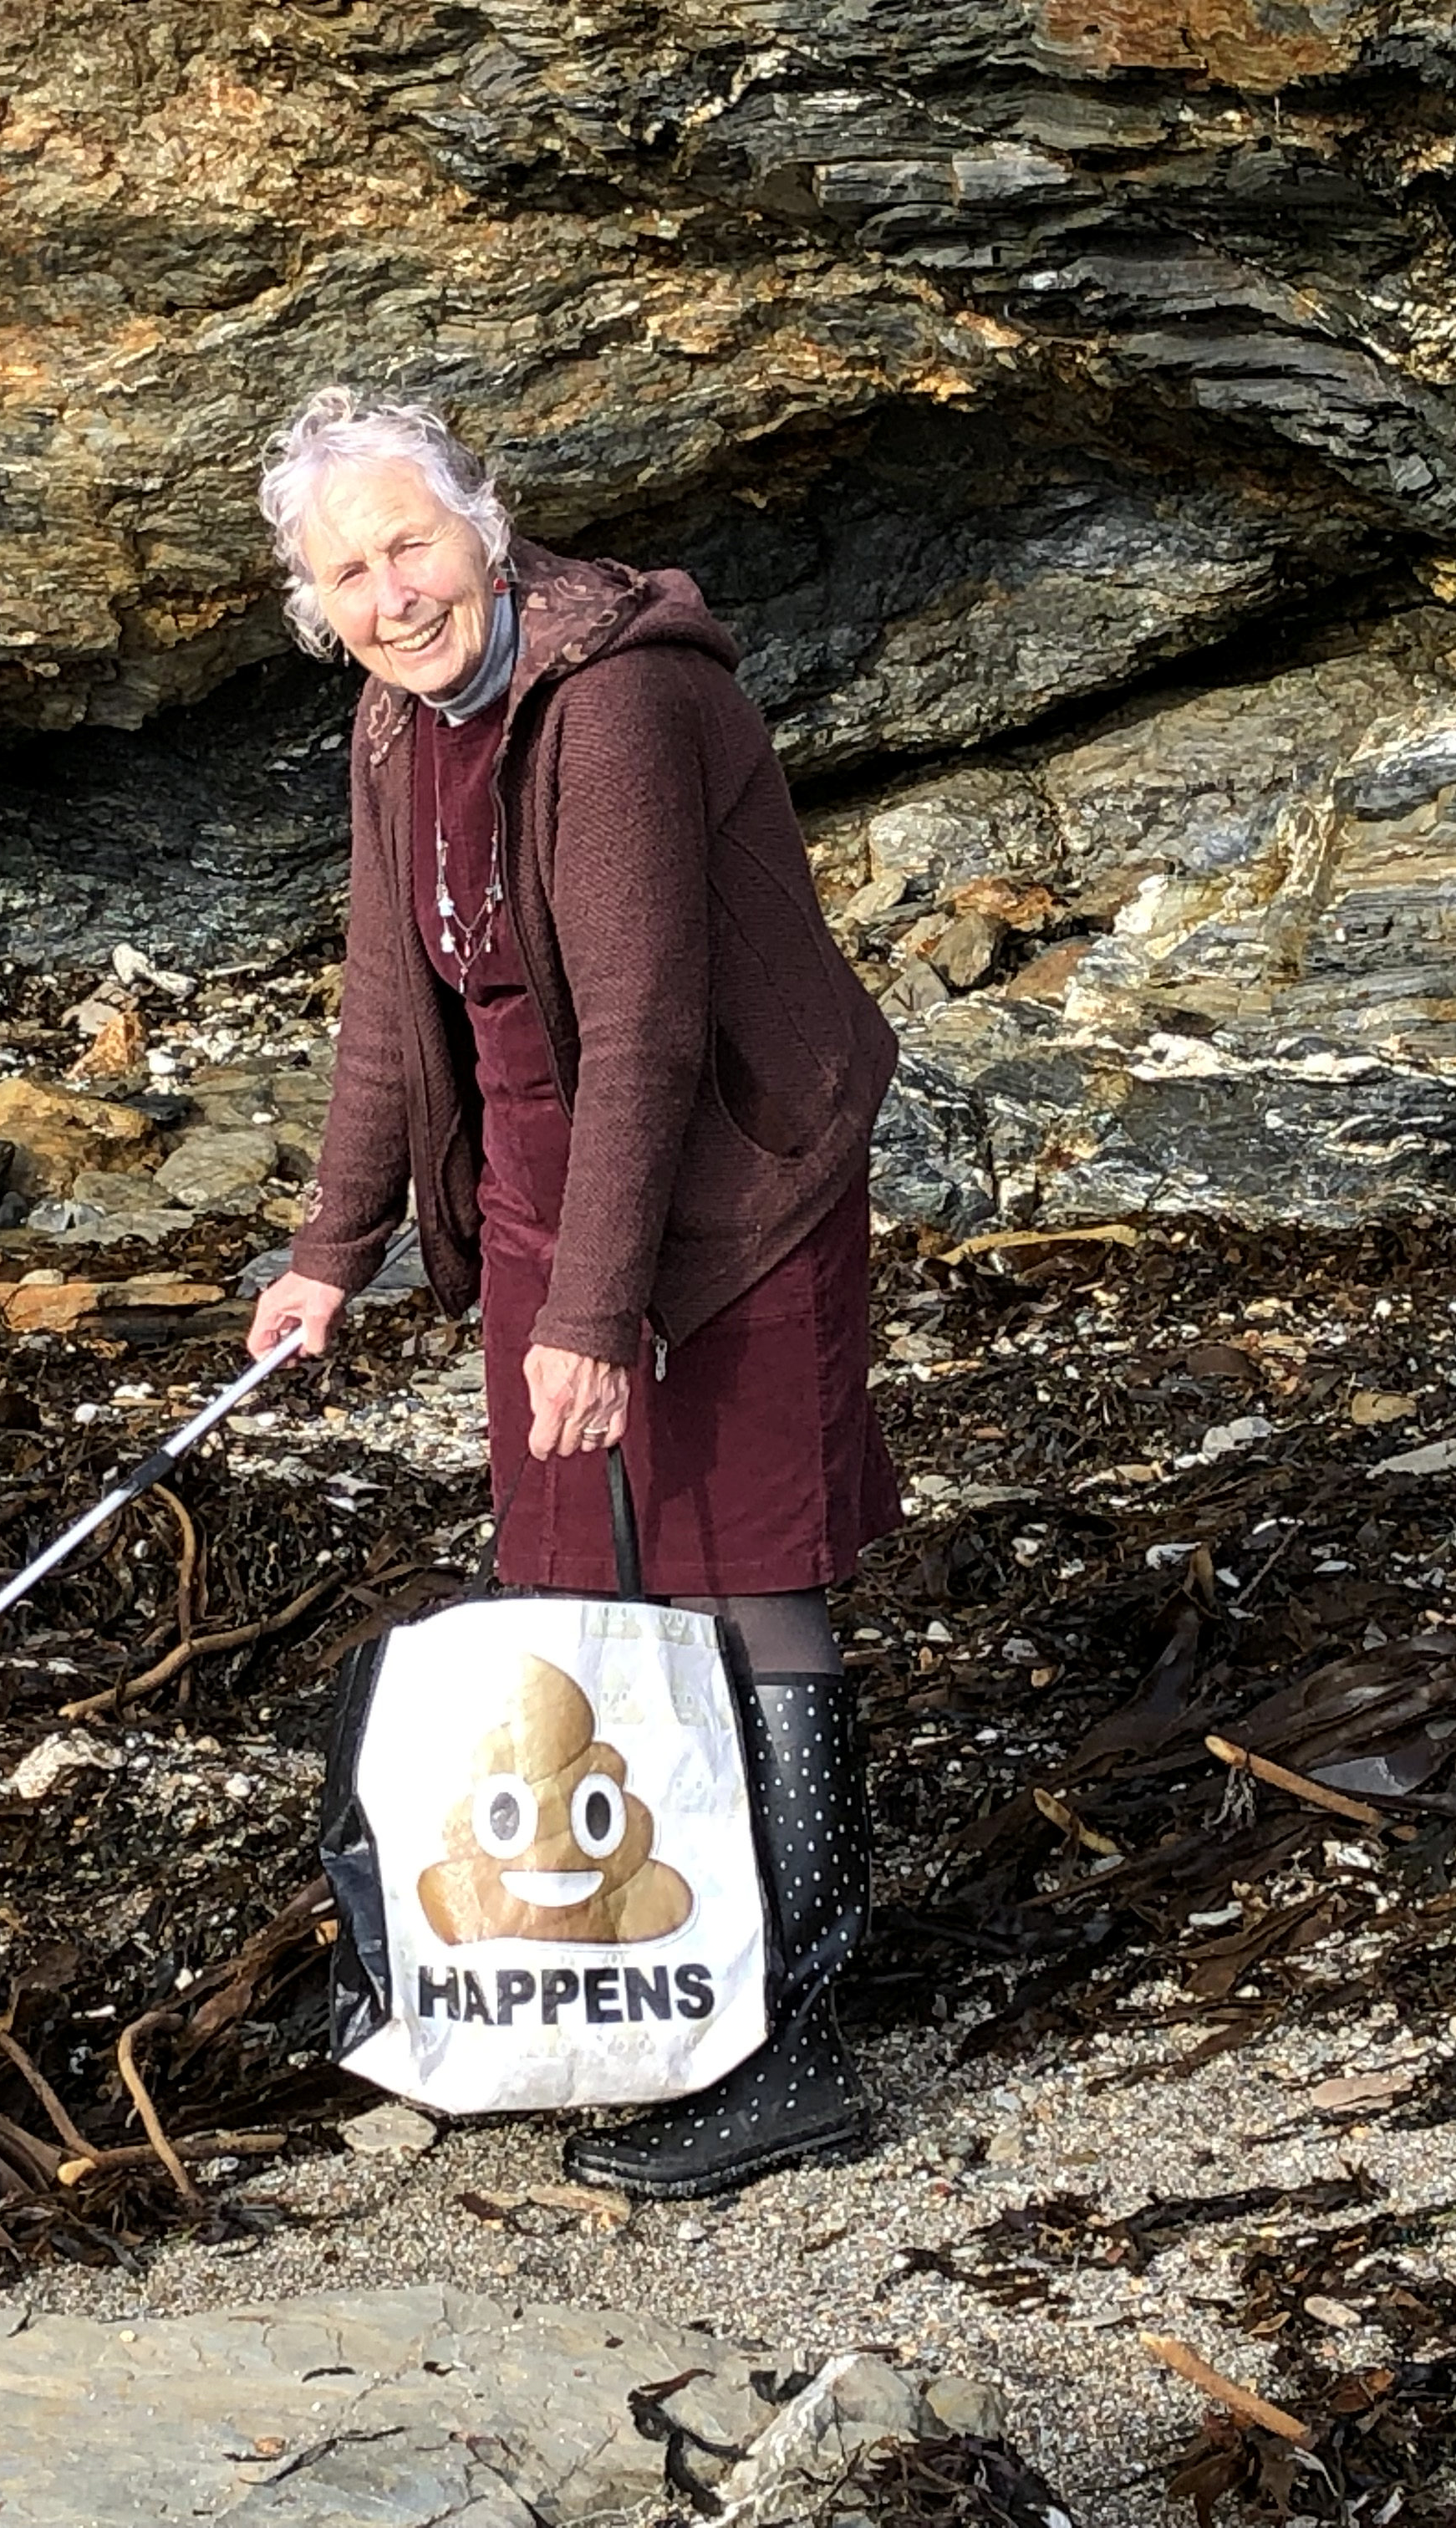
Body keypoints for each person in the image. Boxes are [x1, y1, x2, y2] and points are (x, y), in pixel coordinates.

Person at [242, 386, 904, 2198]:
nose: (391, 595)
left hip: (735, 1170)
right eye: (347, 575)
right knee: (578, 1582)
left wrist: (596, 1320)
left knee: (744, 1577)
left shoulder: (614, 701)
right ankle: (620, 1990)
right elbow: (393, 1006)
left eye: (410, 546)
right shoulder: (397, 725)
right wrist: (329, 1257)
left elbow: (649, 1032)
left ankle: (799, 2046)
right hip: (546, 1181)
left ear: (487, 528)